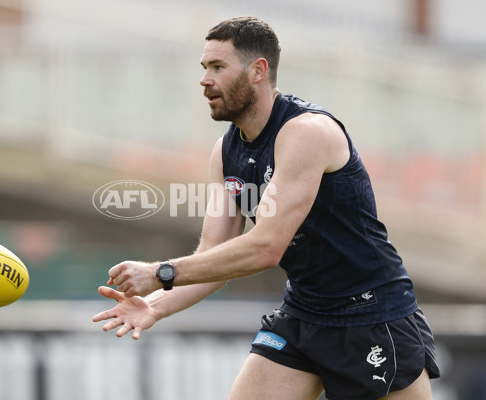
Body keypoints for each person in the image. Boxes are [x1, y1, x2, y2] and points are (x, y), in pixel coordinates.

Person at [92, 16, 440, 400]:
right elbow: (213, 260)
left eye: (218, 67)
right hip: (304, 313)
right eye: (204, 68)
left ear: (258, 71)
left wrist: (160, 273)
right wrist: (155, 306)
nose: (205, 80)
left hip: (372, 317)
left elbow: (265, 247)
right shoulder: (225, 153)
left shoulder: (307, 132)